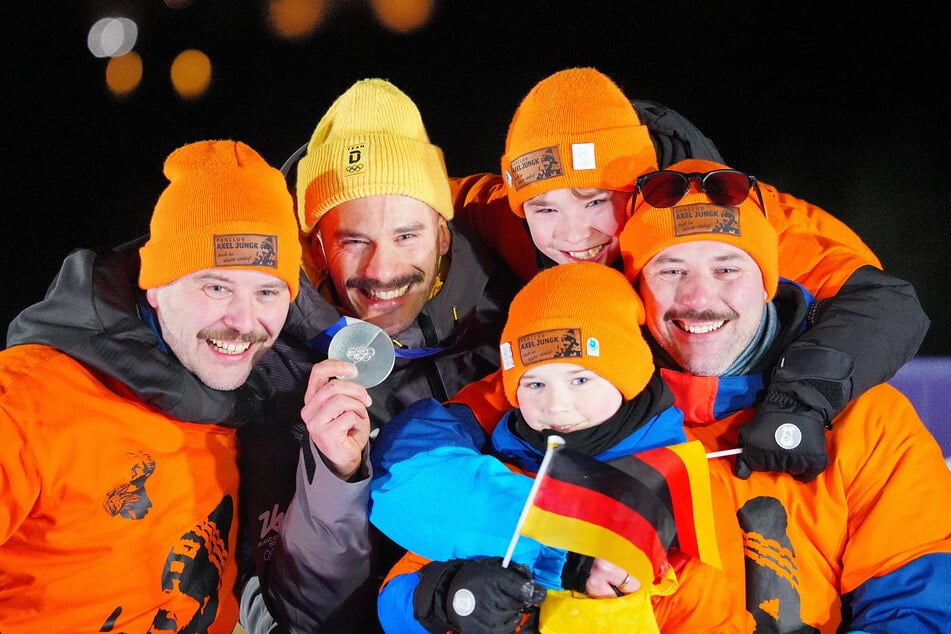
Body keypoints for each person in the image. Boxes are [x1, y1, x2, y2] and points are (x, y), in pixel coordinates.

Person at [447, 67, 929, 482]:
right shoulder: (520, 214)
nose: (573, 236)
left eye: (596, 200)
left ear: (638, 187)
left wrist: (798, 404)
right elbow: (427, 199)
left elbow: (882, 304)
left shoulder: (725, 211)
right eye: (545, 208)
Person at [619, 160, 951, 631]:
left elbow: (918, 606)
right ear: (637, 289)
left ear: (768, 282)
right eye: (670, 270)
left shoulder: (868, 421)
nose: (698, 298)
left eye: (726, 268)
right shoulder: (582, 415)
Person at [236, 78, 518, 632]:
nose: (382, 271)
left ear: (443, 234)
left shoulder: (509, 313)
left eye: (406, 236)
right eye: (353, 241)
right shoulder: (270, 367)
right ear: (318, 245)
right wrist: (335, 476)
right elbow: (302, 613)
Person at [0, 140, 303, 632]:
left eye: (267, 291)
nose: (245, 321)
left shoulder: (248, 415)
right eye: (216, 287)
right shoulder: (26, 401)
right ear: (156, 286)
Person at [373, 262, 690, 633]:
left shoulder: (681, 478)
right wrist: (444, 597)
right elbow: (394, 601)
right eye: (535, 384)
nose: (556, 406)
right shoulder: (495, 472)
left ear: (629, 376)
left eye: (580, 380)